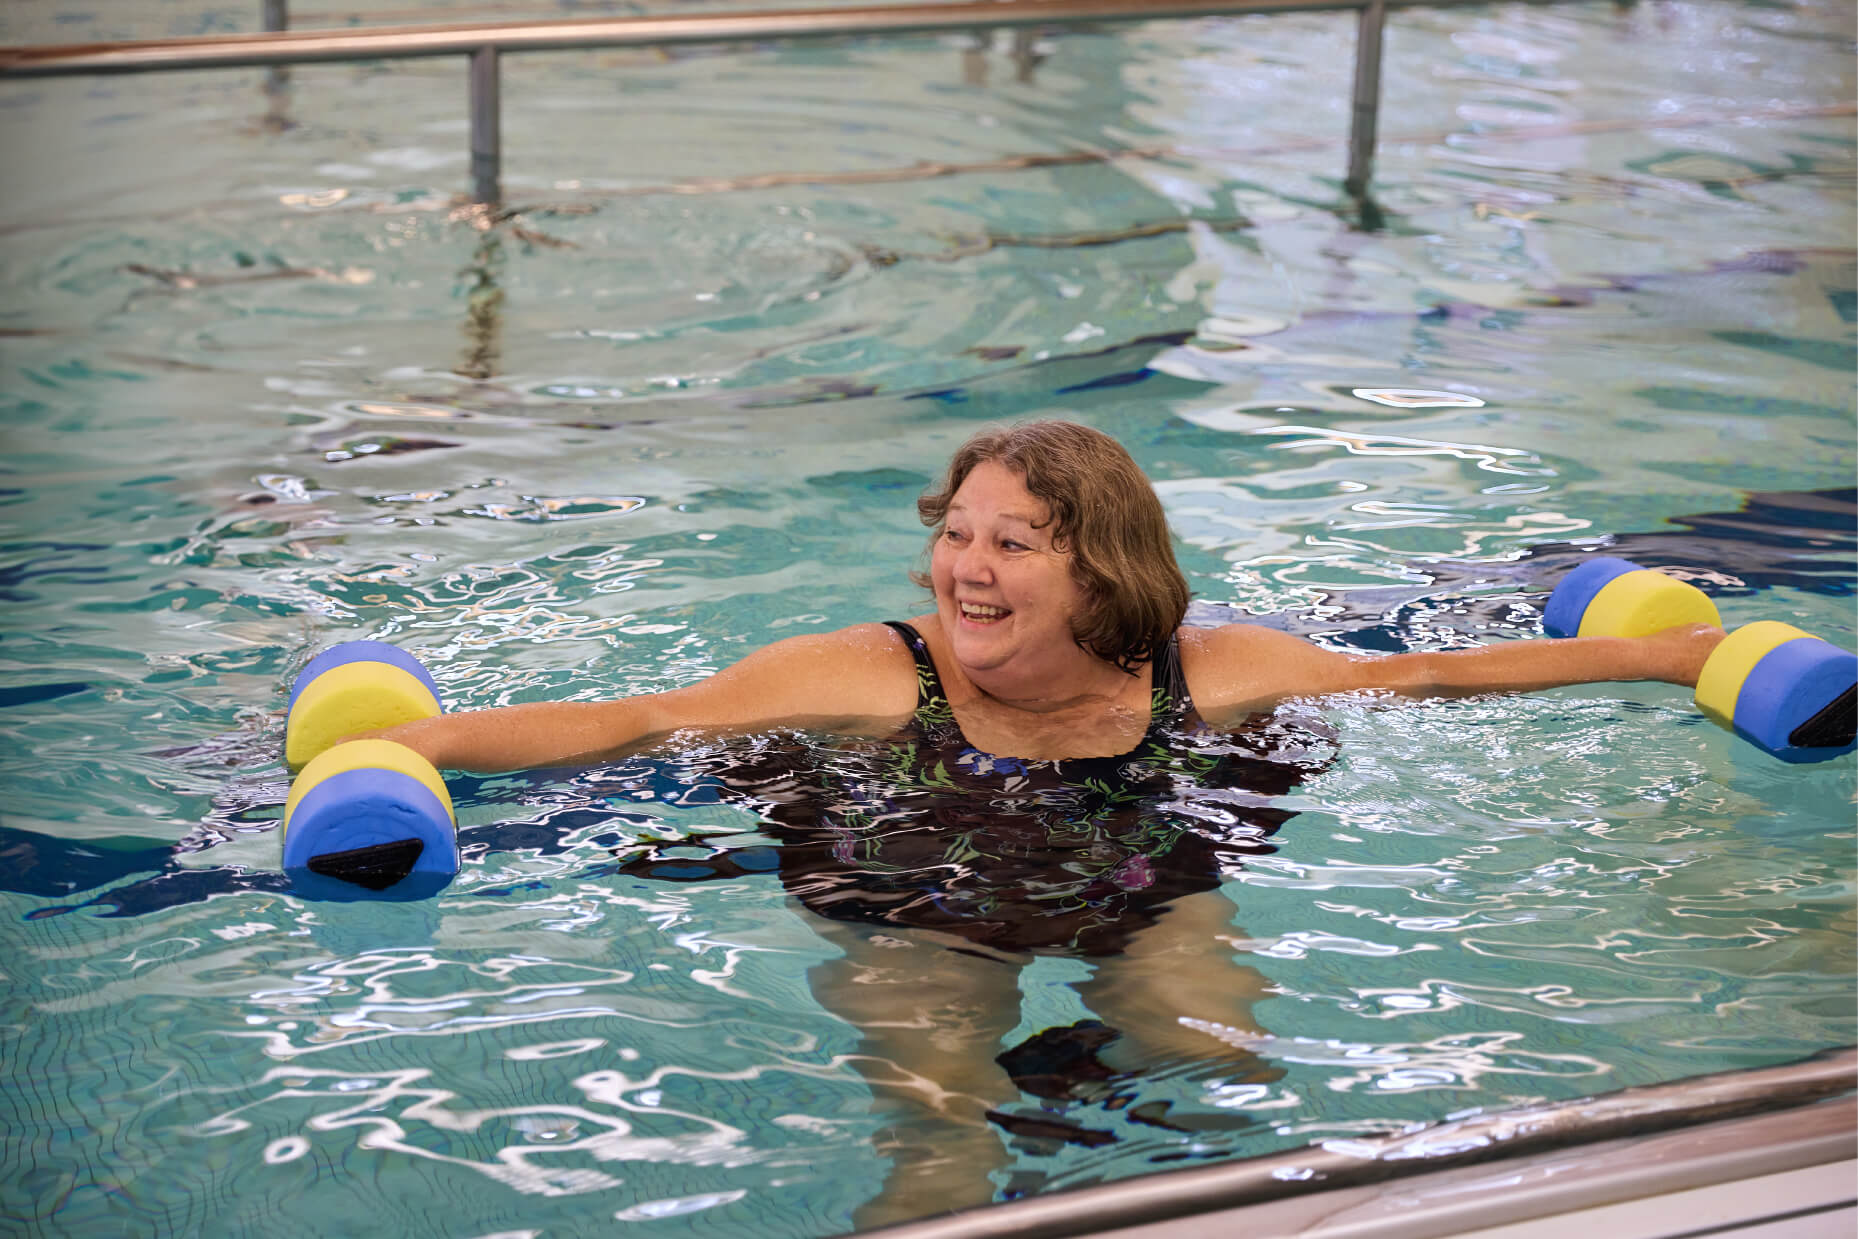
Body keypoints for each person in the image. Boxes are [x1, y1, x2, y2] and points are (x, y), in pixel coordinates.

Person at [367, 419, 1727, 1225]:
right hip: (910, 889)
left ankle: (1055, 1106)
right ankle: (981, 1125)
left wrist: (1664, 660)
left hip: (1130, 864)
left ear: (1101, 571)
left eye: (1012, 544)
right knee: (938, 1135)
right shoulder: (867, 671)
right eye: (959, 533)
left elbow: (1419, 675)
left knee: (1219, 1055)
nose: (965, 566)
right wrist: (413, 742)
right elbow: (640, 721)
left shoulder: (1208, 667)